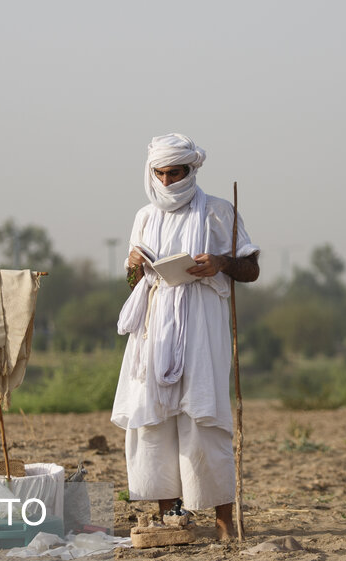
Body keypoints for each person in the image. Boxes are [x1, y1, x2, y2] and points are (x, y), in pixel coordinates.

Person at [112, 133, 260, 540]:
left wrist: (220, 262)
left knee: (203, 416)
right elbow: (132, 282)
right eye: (159, 174)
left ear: (191, 171)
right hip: (154, 327)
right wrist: (132, 265)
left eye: (174, 174)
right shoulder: (144, 216)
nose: (166, 182)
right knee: (154, 420)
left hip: (201, 325)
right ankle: (170, 516)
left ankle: (224, 520)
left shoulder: (217, 212)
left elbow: (251, 269)